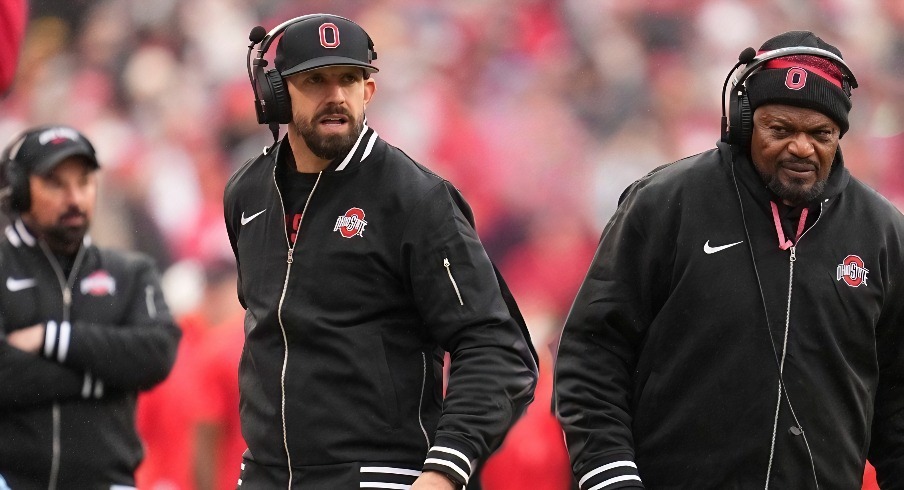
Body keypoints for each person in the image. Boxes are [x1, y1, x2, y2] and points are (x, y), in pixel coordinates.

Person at [554, 30, 904, 489]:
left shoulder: (882, 233)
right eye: (780, 130)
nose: (802, 147)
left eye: (821, 134)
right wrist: (610, 475)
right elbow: (592, 353)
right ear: (742, 123)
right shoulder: (665, 204)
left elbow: (898, 403)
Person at [224, 13, 538, 489]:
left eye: (349, 79)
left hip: (381, 476)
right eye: (316, 80)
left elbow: (497, 347)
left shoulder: (415, 198)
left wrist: (444, 471)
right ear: (277, 94)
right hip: (266, 476)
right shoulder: (246, 193)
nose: (336, 96)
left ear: (368, 90)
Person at [0, 124, 181, 489]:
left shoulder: (131, 272)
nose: (75, 198)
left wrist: (54, 338)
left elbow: (156, 355)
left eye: (84, 182)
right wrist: (104, 378)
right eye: (55, 183)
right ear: (18, 191)